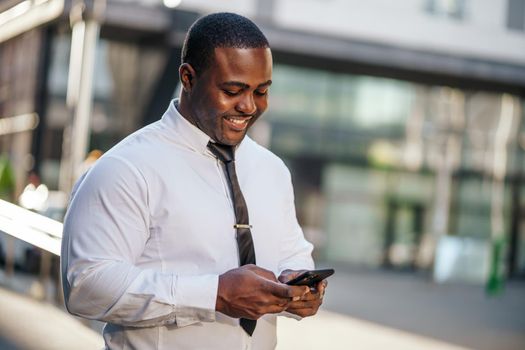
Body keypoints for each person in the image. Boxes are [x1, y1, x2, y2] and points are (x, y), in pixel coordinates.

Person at [61, 12, 327, 349]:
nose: (248, 106)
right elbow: (86, 287)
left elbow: (293, 252)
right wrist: (214, 295)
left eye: (261, 91)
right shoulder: (126, 168)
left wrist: (298, 285)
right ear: (188, 77)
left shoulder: (272, 170)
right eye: (233, 90)